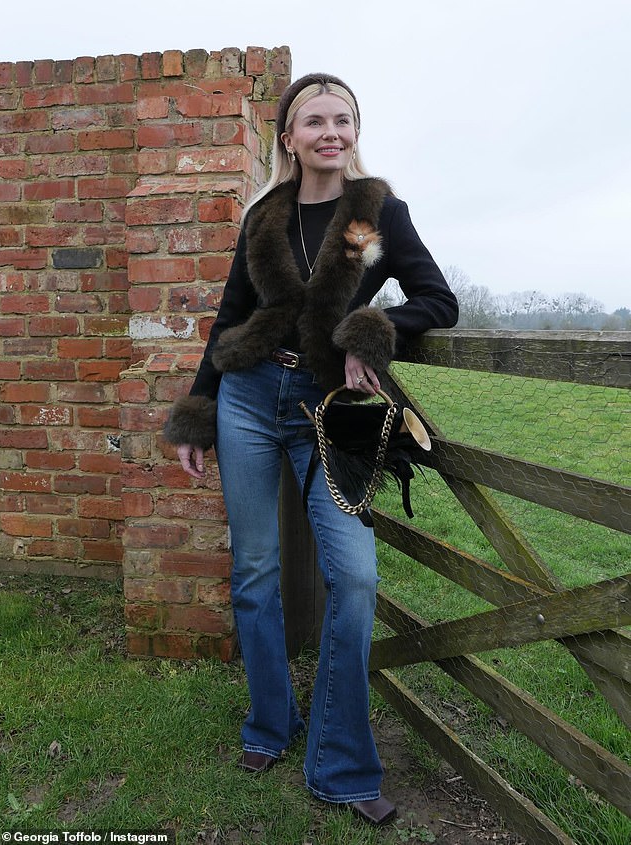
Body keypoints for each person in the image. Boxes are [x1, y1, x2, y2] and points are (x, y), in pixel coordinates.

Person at [164, 72, 458, 826]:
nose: (331, 133)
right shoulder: (264, 215)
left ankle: (341, 762)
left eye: (343, 120)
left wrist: (370, 332)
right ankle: (270, 723)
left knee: (354, 577)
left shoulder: (374, 214)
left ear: (355, 132)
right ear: (289, 137)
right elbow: (231, 315)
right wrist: (198, 413)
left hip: (326, 410)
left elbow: (437, 299)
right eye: (315, 121)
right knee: (255, 571)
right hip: (248, 399)